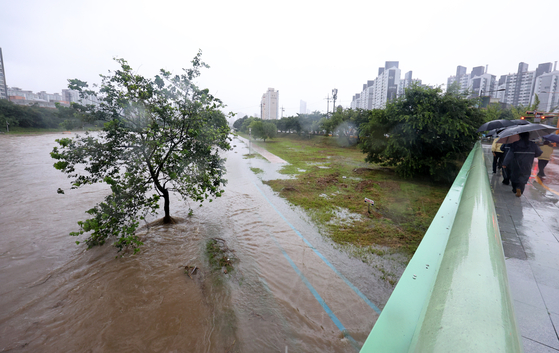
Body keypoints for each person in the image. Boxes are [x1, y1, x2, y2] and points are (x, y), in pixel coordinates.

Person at [502, 132, 542, 197]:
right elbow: (539, 153)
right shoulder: (532, 144)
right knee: (524, 177)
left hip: (515, 163)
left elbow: (510, 154)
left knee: (514, 176)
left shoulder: (515, 144)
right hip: (527, 164)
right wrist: (532, 154)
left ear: (519, 136)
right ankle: (520, 188)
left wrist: (505, 163)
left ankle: (515, 189)